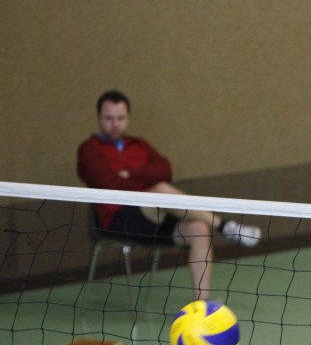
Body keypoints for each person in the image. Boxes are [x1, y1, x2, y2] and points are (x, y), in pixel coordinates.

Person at [76, 90, 261, 301]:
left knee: (199, 229)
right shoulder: (88, 150)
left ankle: (201, 305)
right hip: (119, 219)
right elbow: (109, 183)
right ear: (99, 117)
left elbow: (165, 170)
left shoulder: (139, 145)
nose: (115, 124)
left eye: (120, 118)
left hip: (153, 215)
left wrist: (131, 175)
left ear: (128, 117)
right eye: (109, 118)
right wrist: (147, 182)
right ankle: (225, 226)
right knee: (161, 189)